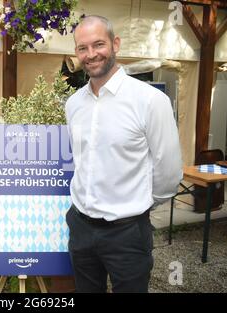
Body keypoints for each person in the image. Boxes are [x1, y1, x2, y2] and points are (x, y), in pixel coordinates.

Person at [65, 16, 182, 293]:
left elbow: (168, 172)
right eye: (83, 48)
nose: (91, 54)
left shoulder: (151, 101)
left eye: (98, 44)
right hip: (80, 227)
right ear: (77, 53)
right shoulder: (73, 104)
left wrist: (137, 205)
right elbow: (82, 162)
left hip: (128, 233)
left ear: (115, 44)